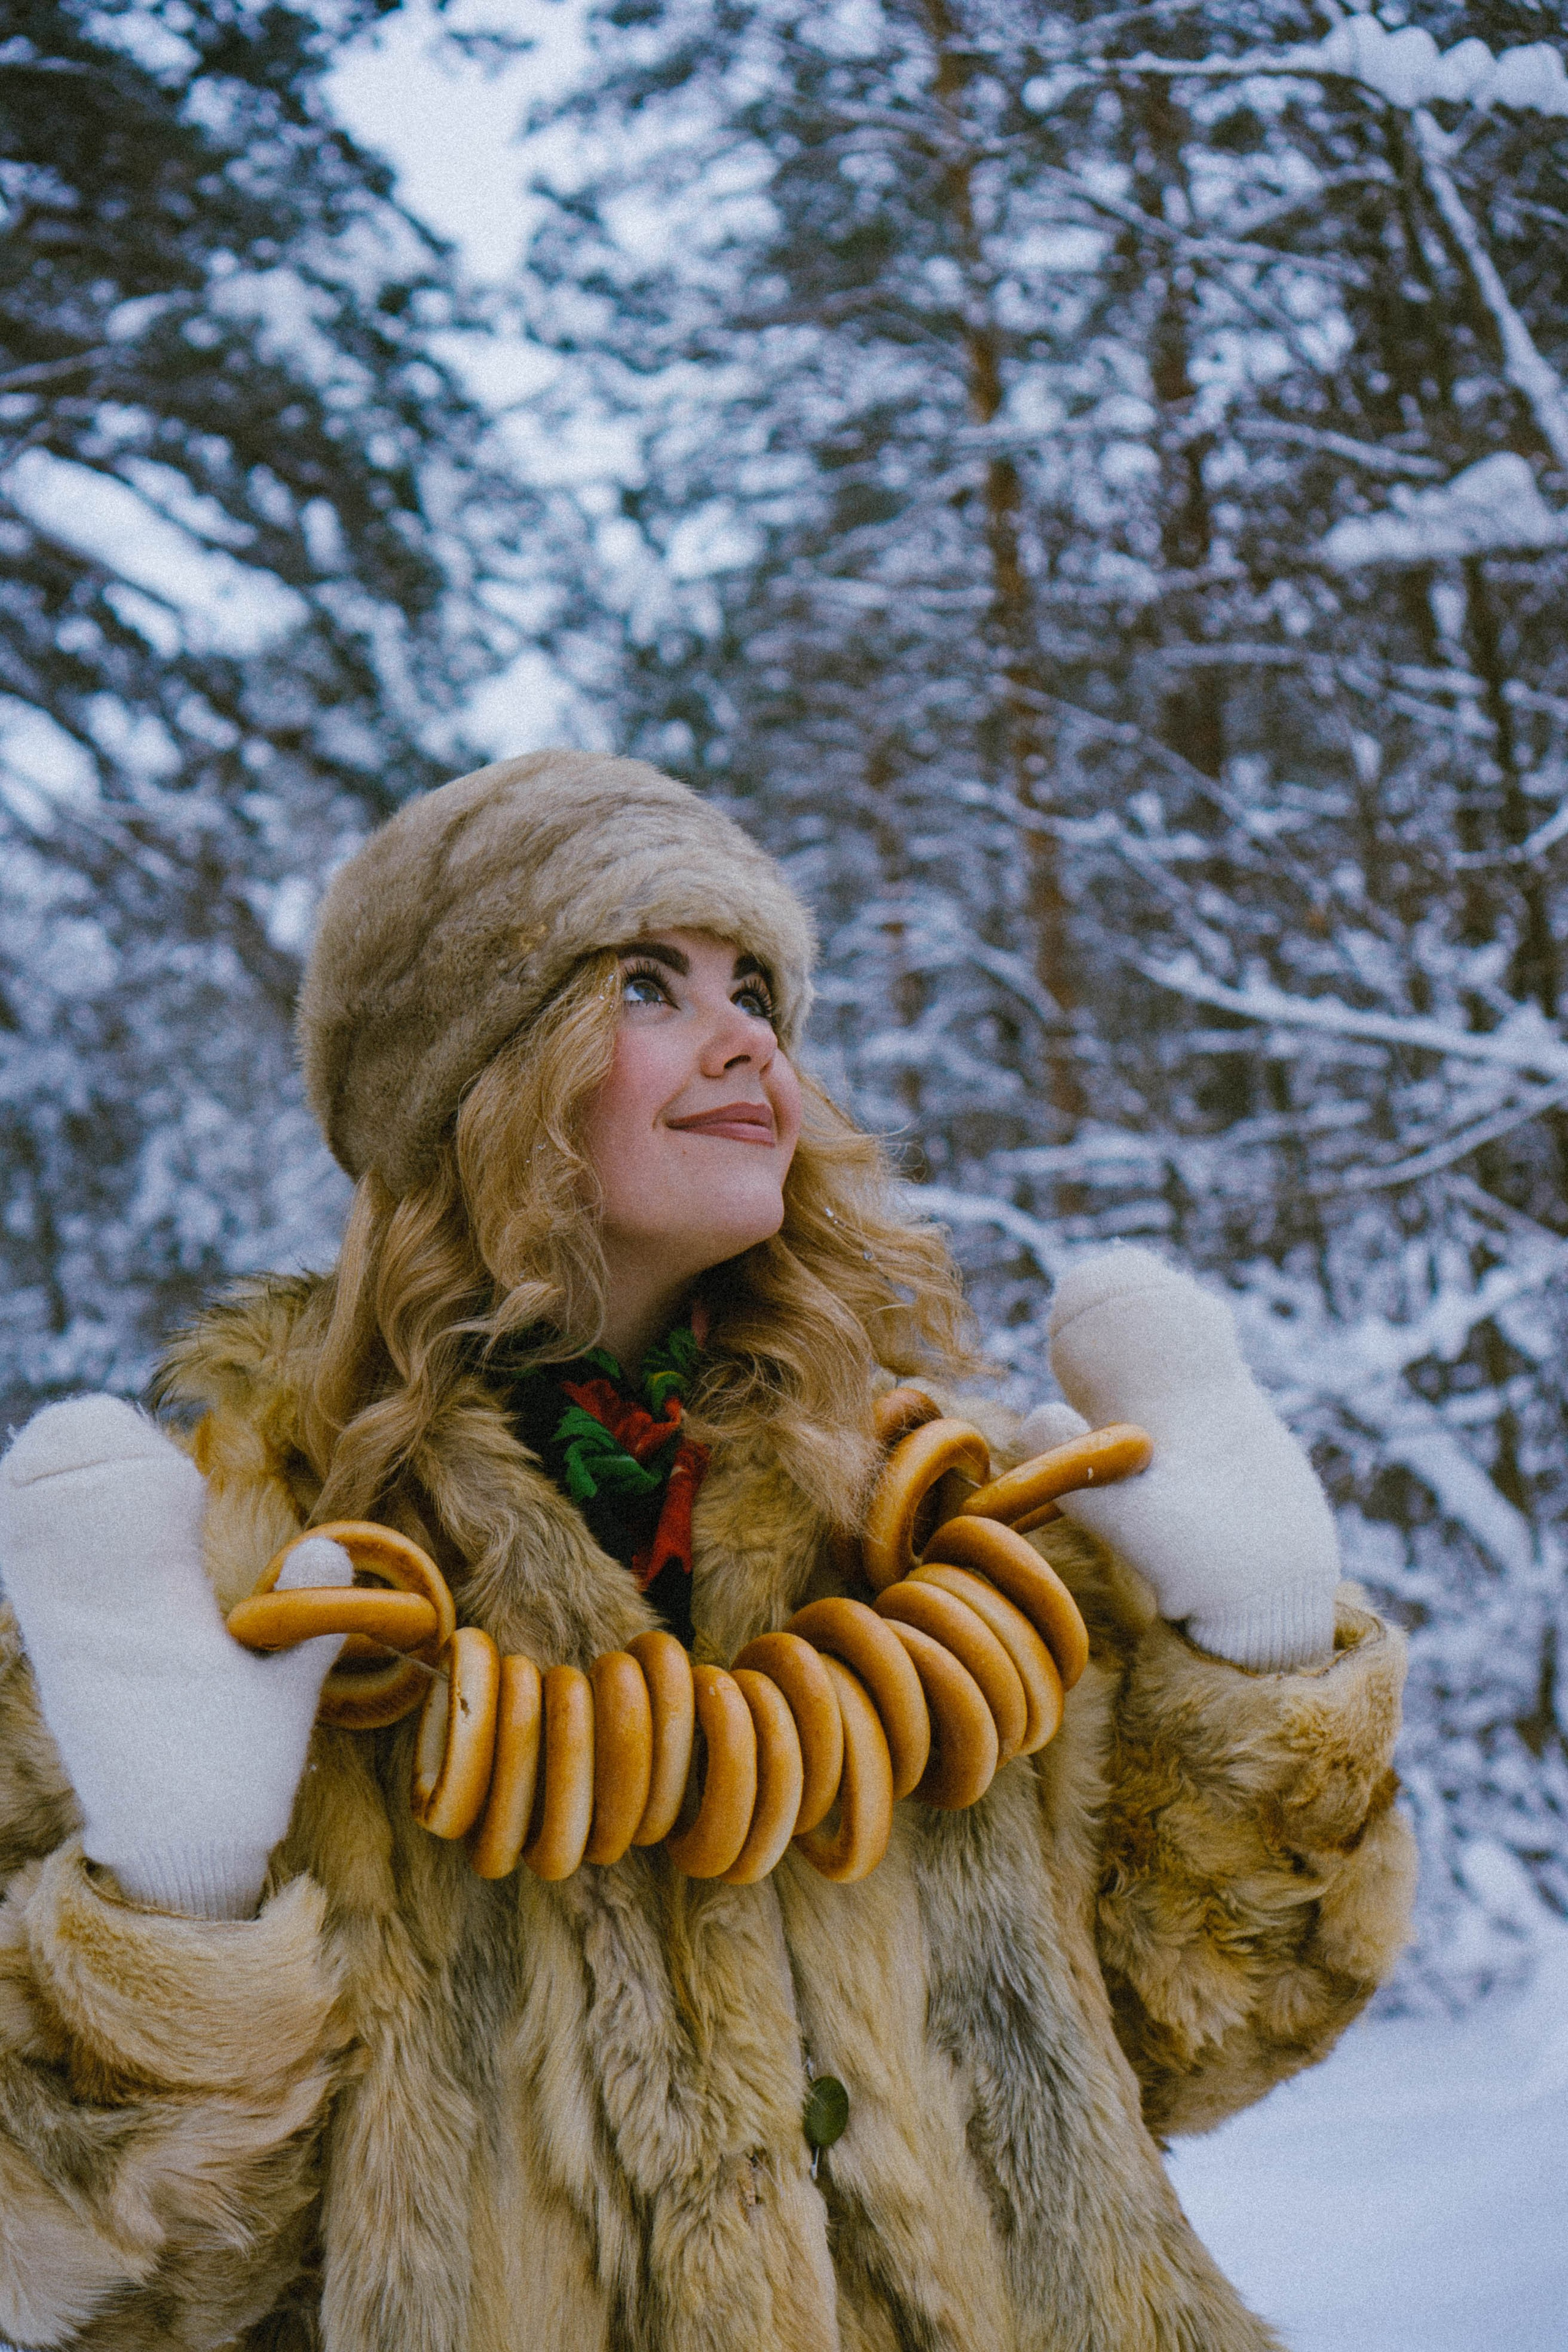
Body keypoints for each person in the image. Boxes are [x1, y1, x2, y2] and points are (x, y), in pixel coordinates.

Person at [0, 752, 1414, 2352]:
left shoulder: (948, 1534)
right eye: (652, 985)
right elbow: (89, 2278)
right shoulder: (221, 1598)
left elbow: (1207, 2033)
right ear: (469, 1073)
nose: (751, 1037)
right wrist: (176, 1912)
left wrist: (1270, 1659)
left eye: (764, 992)